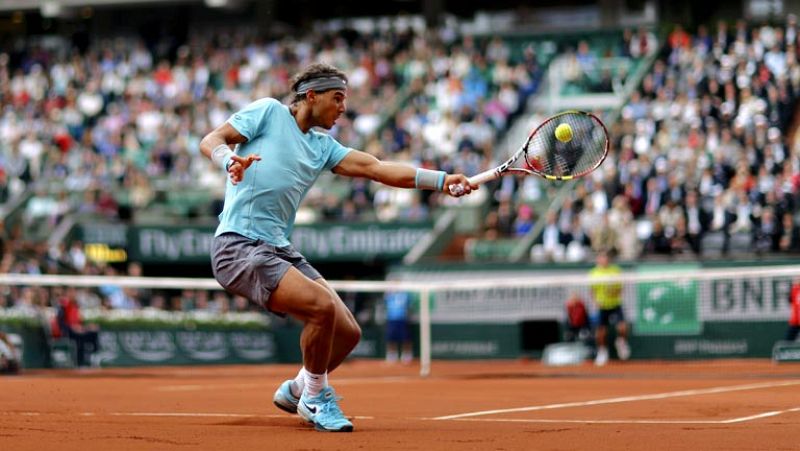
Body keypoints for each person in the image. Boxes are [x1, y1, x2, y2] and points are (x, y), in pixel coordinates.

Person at [199, 63, 476, 433]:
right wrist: (228, 159)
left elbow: (377, 168)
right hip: (238, 245)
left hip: (278, 248)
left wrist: (441, 181)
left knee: (347, 333)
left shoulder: (322, 147)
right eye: (337, 98)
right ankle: (314, 398)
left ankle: (298, 388)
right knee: (321, 307)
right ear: (311, 96)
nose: (343, 107)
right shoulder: (268, 112)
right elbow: (212, 139)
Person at [588, 251, 630, 366]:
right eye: (601, 258)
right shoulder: (593, 273)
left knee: (623, 327)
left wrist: (613, 293)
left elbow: (620, 288)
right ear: (598, 259)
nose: (603, 260)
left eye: (605, 257)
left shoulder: (616, 270)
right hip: (602, 306)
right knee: (601, 332)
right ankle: (602, 352)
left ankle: (621, 342)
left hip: (615, 304)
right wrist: (596, 302)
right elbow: (592, 291)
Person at [54, 287, 100, 368]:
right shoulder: (63, 305)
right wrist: (72, 327)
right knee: (80, 337)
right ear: (67, 293)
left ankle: (94, 357)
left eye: (74, 292)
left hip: (78, 329)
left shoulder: (76, 305)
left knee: (93, 333)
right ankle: (80, 363)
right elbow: (60, 323)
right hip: (66, 331)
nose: (73, 294)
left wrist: (88, 326)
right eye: (71, 292)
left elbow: (79, 321)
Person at [384, 291, 413, 364]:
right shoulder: (388, 294)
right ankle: (391, 355)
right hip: (391, 319)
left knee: (406, 338)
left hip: (402, 319)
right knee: (391, 338)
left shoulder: (405, 294)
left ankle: (407, 355)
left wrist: (408, 316)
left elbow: (409, 306)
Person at [787, 278, 800, 342]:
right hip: (795, 321)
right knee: (788, 341)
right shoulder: (795, 289)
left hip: (796, 321)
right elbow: (790, 299)